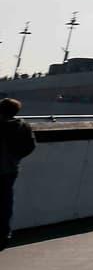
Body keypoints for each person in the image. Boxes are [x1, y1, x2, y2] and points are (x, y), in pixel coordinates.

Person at [0, 97, 37, 251]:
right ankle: (4, 234)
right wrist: (15, 158)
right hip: (10, 168)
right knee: (5, 201)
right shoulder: (23, 126)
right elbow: (30, 146)